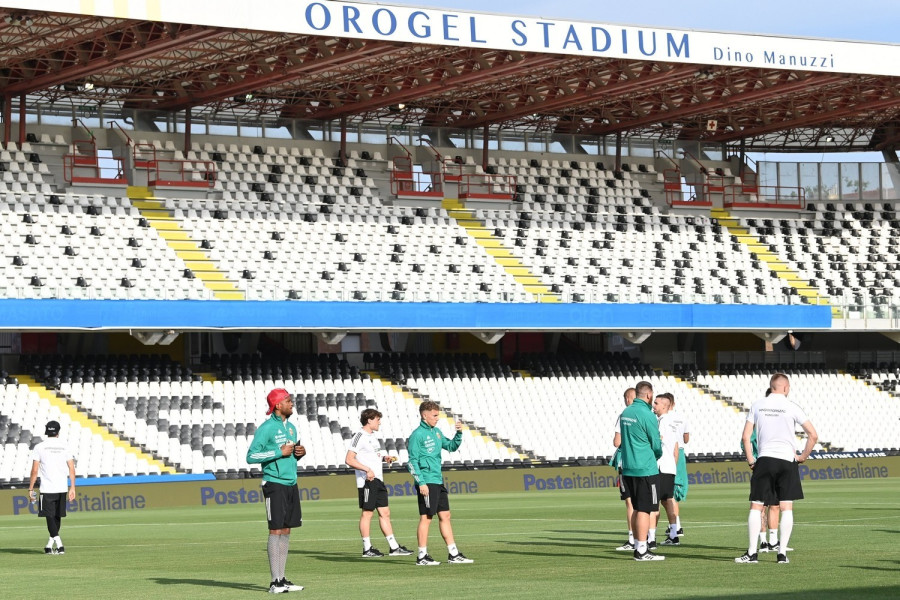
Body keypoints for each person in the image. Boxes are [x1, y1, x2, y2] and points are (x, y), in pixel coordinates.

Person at [735, 374, 818, 565]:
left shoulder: (757, 405)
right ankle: (781, 554)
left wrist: (751, 461)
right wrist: (803, 457)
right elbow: (813, 435)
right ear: (786, 388)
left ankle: (752, 553)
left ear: (771, 386)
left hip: (765, 459)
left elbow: (746, 437)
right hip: (787, 460)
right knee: (786, 507)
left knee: (756, 506)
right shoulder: (792, 406)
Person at [246, 388, 307, 593]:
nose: (292, 404)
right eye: (288, 401)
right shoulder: (266, 428)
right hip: (274, 483)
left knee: (287, 529)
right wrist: (278, 452)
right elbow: (251, 456)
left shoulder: (291, 428)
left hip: (291, 482)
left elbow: (290, 455)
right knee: (276, 529)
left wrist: (299, 453)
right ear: (278, 405)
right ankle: (274, 582)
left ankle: (282, 578)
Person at [407, 400, 473, 566]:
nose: (437, 418)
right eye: (435, 415)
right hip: (427, 481)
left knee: (445, 516)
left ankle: (453, 553)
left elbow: (451, 446)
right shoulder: (417, 435)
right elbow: (412, 462)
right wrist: (421, 482)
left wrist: (458, 433)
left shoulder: (436, 432)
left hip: (438, 479)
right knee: (427, 517)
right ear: (425, 415)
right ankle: (422, 556)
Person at [345, 408, 412, 558]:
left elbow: (371, 455)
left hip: (378, 480)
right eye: (377, 419)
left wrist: (384, 458)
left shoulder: (372, 437)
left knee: (385, 513)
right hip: (367, 481)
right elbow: (349, 459)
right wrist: (367, 469)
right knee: (367, 513)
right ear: (369, 420)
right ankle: (367, 548)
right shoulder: (359, 436)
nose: (379, 422)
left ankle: (394, 547)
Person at [619, 381, 664, 561]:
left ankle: (638, 546)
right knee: (645, 509)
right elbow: (656, 444)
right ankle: (642, 550)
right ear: (649, 395)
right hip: (645, 467)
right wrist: (657, 454)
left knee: (637, 508)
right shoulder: (647, 414)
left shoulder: (626, 412)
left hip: (628, 467)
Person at [29, 420, 76, 555]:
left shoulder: (39, 447)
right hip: (61, 487)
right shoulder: (65, 446)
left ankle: (60, 545)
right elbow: (72, 469)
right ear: (58, 432)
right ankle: (50, 546)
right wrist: (72, 487)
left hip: (46, 488)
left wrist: (30, 489)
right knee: (56, 517)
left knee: (49, 516)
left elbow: (34, 471)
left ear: (46, 431)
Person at [652, 394, 680, 547]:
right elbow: (676, 448)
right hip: (669, 466)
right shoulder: (672, 422)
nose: (653, 405)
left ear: (664, 405)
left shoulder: (662, 422)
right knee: (667, 500)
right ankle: (674, 535)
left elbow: (658, 442)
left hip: (661, 466)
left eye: (656, 403)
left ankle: (650, 538)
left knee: (654, 503)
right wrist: (673, 465)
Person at [611, 387, 636, 551]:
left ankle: (632, 538)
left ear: (627, 399)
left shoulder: (624, 416)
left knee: (630, 502)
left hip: (627, 464)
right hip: (646, 463)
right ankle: (649, 537)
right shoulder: (649, 415)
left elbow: (616, 442)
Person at [664, 392, 689, 537]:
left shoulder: (663, 418)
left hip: (668, 453)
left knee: (668, 492)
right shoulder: (682, 417)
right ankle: (675, 526)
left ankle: (676, 526)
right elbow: (686, 439)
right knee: (674, 490)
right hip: (680, 452)